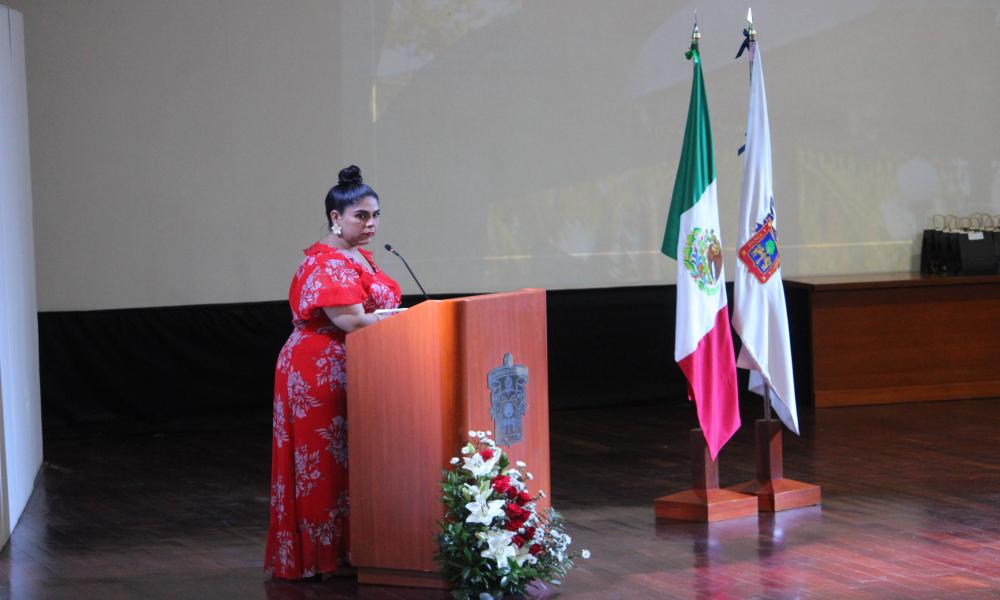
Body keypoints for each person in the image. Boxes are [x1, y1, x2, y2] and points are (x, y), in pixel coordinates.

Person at [265, 165, 402, 579]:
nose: (371, 223)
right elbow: (353, 323)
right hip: (317, 373)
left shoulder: (358, 256)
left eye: (375, 214)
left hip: (351, 367)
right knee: (322, 465)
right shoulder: (326, 263)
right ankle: (317, 557)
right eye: (361, 215)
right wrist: (406, 319)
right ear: (335, 217)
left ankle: (346, 550)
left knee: (347, 464)